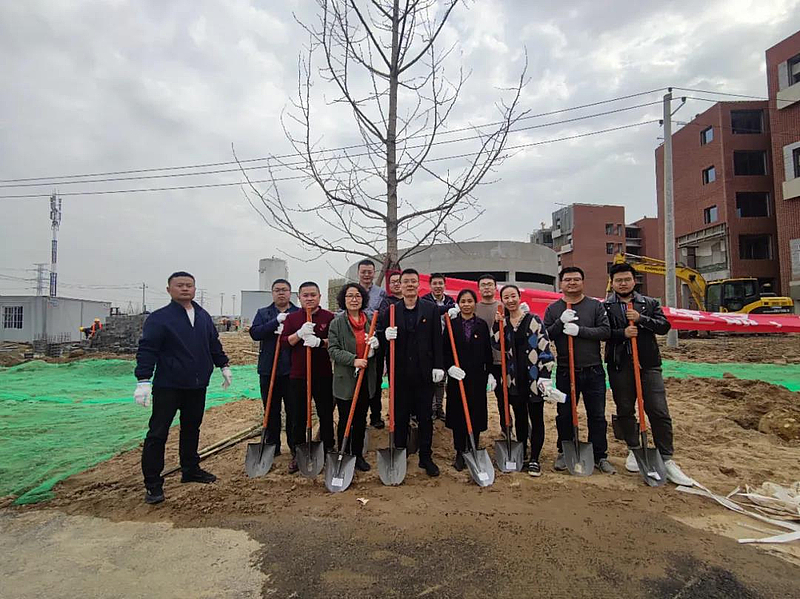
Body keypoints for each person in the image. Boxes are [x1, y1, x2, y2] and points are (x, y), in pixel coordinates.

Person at [134, 271, 231, 505]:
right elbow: (148, 348)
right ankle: (153, 484)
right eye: (180, 285)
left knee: (191, 428)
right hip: (169, 385)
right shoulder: (160, 318)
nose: (185, 289)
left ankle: (190, 469)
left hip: (197, 385)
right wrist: (143, 379)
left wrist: (223, 365)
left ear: (194, 289)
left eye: (189, 285)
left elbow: (213, 343)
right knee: (158, 433)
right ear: (169, 290)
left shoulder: (202, 316)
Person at [603, 263, 694, 485]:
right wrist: (622, 333)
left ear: (634, 280)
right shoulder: (606, 306)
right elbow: (603, 332)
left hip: (648, 363)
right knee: (625, 409)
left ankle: (666, 456)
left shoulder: (650, 303)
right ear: (612, 283)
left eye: (627, 279)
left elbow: (664, 326)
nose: (623, 283)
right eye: (618, 280)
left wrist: (641, 319)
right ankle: (634, 448)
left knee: (658, 409)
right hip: (619, 364)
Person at [543, 267, 615, 474]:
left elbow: (605, 331)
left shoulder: (595, 306)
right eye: (567, 280)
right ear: (561, 284)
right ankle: (564, 450)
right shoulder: (554, 309)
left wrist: (580, 331)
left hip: (593, 370)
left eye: (576, 279)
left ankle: (600, 455)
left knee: (597, 415)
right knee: (564, 414)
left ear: (583, 282)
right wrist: (560, 322)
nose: (572, 283)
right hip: (566, 370)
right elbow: (545, 335)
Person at [382, 268, 444, 477]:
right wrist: (385, 337)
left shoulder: (430, 309)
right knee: (400, 416)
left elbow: (437, 339)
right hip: (400, 373)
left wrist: (438, 365)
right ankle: (400, 453)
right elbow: (381, 339)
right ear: (399, 285)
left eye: (413, 281)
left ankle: (426, 456)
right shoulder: (391, 311)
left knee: (425, 416)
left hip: (424, 372)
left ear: (418, 284)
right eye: (405, 281)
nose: (409, 284)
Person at [492, 285, 555, 476]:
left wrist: (545, 375)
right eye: (506, 297)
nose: (510, 300)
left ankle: (535, 458)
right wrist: (496, 324)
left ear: (519, 297)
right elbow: (496, 343)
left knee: (536, 418)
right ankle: (523, 452)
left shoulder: (533, 320)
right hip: (513, 379)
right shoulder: (504, 323)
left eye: (513, 296)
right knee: (519, 417)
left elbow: (545, 347)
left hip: (534, 378)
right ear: (502, 300)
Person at [281, 281, 336, 474]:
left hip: (323, 374)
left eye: (313, 295)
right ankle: (298, 452)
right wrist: (299, 333)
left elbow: (335, 341)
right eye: (305, 295)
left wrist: (319, 342)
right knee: (298, 415)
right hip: (298, 375)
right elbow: (284, 342)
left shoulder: (329, 317)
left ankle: (328, 447)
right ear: (299, 298)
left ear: (320, 296)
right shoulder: (292, 318)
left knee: (325, 413)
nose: (309, 298)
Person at [328, 283, 381, 472]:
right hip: (346, 378)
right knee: (345, 418)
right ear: (344, 299)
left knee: (360, 418)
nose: (354, 299)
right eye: (350, 296)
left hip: (365, 378)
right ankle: (344, 453)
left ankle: (357, 455)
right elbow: (333, 350)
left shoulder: (370, 320)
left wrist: (374, 347)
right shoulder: (337, 323)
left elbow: (375, 348)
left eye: (357, 296)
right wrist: (354, 360)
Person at [248, 278, 299, 457]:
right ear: (272, 293)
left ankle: (294, 445)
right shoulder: (263, 313)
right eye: (277, 290)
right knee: (271, 409)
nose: (281, 293)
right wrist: (275, 322)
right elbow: (255, 333)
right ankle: (272, 446)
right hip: (269, 369)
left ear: (290, 293)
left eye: (284, 290)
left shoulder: (298, 313)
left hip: (292, 370)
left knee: (293, 410)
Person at [443, 289, 492, 471]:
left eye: (469, 301)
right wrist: (449, 367)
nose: (466, 304)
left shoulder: (481, 325)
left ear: (475, 303)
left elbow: (487, 351)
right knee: (458, 413)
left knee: (475, 411)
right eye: (463, 301)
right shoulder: (451, 324)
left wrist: (490, 373)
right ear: (458, 304)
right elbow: (445, 350)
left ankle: (473, 447)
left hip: (477, 377)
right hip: (457, 376)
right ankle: (459, 451)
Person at [474, 274, 509, 431]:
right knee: (478, 397)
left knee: (504, 397)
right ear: (479, 288)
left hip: (501, 359)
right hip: (480, 360)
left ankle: (506, 428)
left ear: (495, 288)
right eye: (483, 285)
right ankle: (478, 429)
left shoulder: (504, 306)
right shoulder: (474, 307)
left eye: (490, 284)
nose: (487, 287)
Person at [355, 259, 387, 430]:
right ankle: (357, 416)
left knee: (375, 378)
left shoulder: (381, 293)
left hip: (375, 338)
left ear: (374, 273)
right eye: (363, 272)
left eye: (370, 272)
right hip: (355, 339)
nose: (367, 275)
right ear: (358, 273)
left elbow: (383, 314)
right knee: (356, 378)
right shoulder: (352, 291)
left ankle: (375, 415)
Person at [421, 273, 455, 421]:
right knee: (429, 378)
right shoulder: (425, 300)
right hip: (429, 345)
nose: (438, 286)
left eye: (440, 283)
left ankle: (439, 408)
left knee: (442, 379)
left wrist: (450, 308)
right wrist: (448, 309)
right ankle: (430, 408)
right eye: (434, 283)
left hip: (446, 344)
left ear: (444, 285)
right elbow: (432, 311)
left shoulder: (450, 300)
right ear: (430, 286)